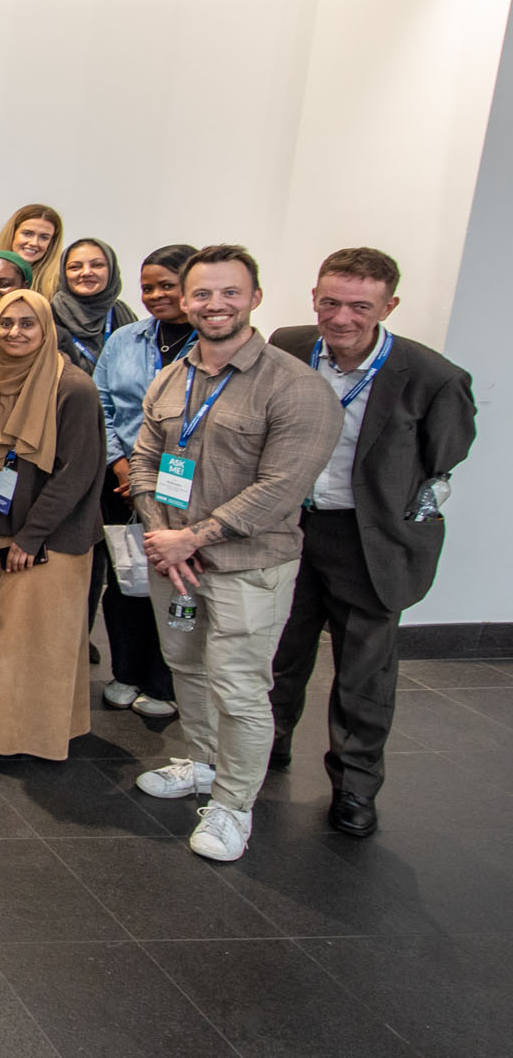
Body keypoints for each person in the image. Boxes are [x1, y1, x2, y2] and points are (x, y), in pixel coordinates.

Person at [129, 245, 342, 862]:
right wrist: (163, 538)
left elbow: (280, 489)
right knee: (188, 668)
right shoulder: (173, 376)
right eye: (202, 294)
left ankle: (232, 805)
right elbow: (144, 461)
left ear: (255, 298)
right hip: (175, 562)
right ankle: (201, 763)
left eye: (229, 293)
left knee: (240, 688)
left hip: (247, 567)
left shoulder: (296, 387)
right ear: (186, 301)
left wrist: (193, 538)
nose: (214, 305)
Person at [267, 248, 476, 838]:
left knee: (364, 672)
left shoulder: (433, 376)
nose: (342, 318)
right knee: (276, 650)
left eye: (360, 306)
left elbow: (444, 455)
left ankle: (355, 785)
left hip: (368, 538)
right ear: (314, 298)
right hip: (291, 527)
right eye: (330, 302)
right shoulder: (287, 345)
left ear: (389, 306)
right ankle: (266, 745)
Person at [0, 289, 106, 761]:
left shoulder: (73, 388)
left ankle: (19, 736)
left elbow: (77, 472)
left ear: (47, 328)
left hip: (48, 538)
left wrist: (32, 536)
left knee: (30, 640)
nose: (14, 332)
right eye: (6, 323)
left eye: (27, 323)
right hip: (2, 523)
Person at [90, 244, 197, 721]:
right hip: (122, 481)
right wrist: (120, 464)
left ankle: (165, 679)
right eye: (147, 287)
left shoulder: (210, 343)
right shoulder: (124, 339)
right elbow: (102, 403)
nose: (155, 295)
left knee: (177, 582)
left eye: (167, 286)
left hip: (184, 485)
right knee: (125, 580)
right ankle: (126, 671)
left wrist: (151, 476)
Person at [52, 238, 137, 374]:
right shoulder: (49, 315)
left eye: (97, 265)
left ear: (112, 270)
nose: (86, 272)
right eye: (75, 267)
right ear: (64, 273)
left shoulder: (122, 313)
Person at [0, 204, 65, 297]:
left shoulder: (59, 288)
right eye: (27, 233)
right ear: (12, 234)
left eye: (44, 237)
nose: (34, 243)